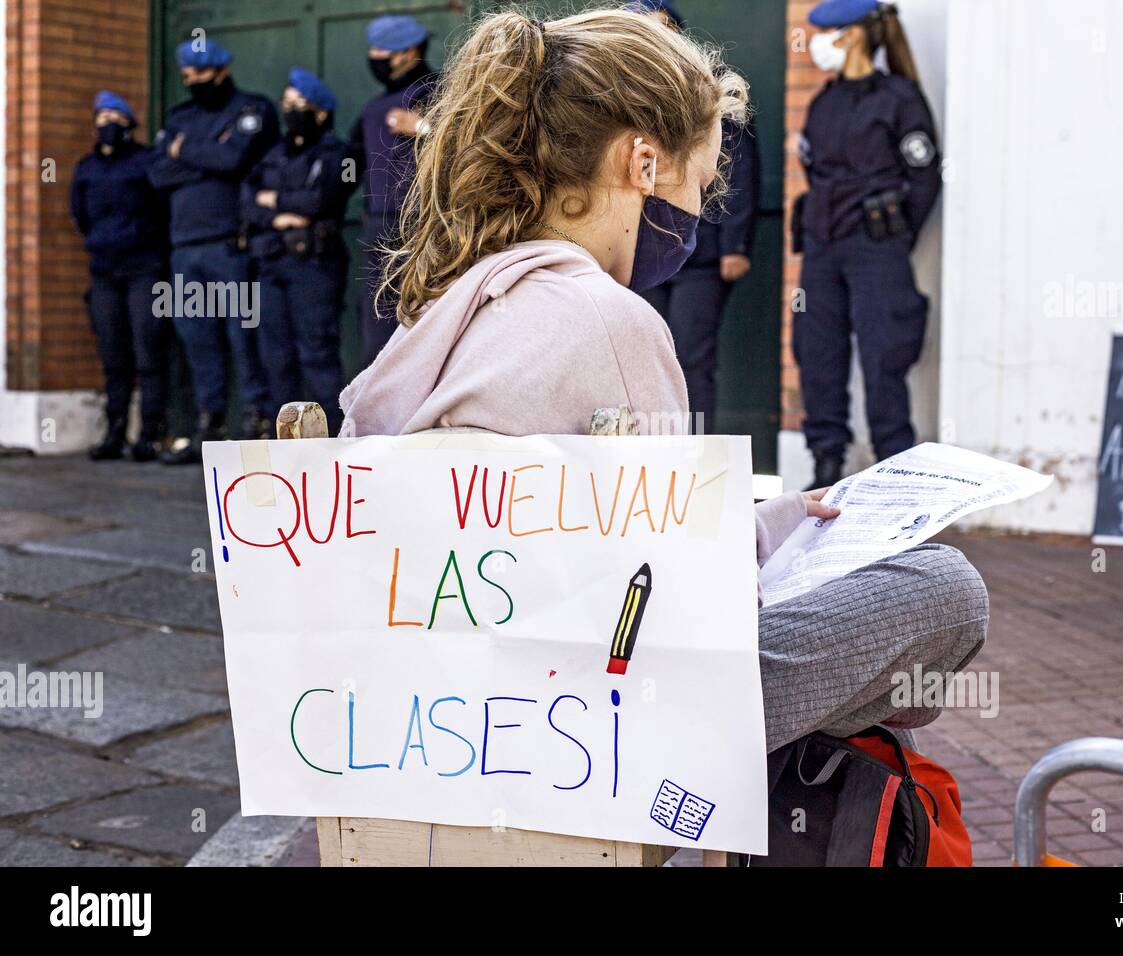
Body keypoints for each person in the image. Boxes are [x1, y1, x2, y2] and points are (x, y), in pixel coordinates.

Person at [339, 9, 987, 755]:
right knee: (945, 590)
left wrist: (775, 523)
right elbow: (696, 595)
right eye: (702, 188)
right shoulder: (612, 320)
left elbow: (617, 528)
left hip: (454, 692)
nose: (697, 215)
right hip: (600, 714)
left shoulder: (455, 300)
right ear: (642, 166)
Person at [793, 0, 941, 488]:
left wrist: (894, 237)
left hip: (875, 250)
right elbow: (814, 171)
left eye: (828, 32)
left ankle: (894, 477)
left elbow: (923, 177)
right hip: (821, 248)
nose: (817, 43)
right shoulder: (824, 102)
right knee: (817, 353)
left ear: (852, 34)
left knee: (885, 356)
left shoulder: (899, 97)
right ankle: (827, 466)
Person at [627, 0, 761, 435]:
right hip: (642, 249)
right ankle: (653, 454)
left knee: (691, 357)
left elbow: (738, 169)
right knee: (644, 357)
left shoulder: (711, 89)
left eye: (660, 29)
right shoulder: (624, 92)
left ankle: (696, 456)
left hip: (700, 252)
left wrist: (736, 246)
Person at [149, 39, 280, 464]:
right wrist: (210, 152)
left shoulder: (250, 110)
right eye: (187, 77)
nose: (193, 83)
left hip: (231, 246)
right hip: (185, 249)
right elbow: (157, 173)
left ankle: (257, 426)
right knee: (198, 341)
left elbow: (235, 160)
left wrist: (183, 150)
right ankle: (210, 428)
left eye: (201, 76)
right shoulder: (179, 116)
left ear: (221, 71)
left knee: (244, 339)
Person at [241, 68, 358, 435]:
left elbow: (324, 197)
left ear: (320, 112)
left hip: (315, 265)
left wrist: (274, 200)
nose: (290, 110)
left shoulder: (340, 154)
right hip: (272, 261)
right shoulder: (272, 153)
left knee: (317, 353)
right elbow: (246, 202)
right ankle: (285, 441)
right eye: (286, 103)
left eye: (299, 104)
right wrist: (282, 215)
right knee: (276, 355)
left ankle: (337, 439)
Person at [70, 91, 169, 461]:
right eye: (101, 116)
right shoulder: (87, 168)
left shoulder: (146, 162)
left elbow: (163, 211)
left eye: (115, 116)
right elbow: (79, 215)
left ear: (129, 122)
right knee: (113, 353)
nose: (107, 123)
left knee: (148, 350)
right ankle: (114, 430)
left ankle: (148, 432)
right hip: (104, 271)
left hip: (144, 269)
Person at [351, 15, 439, 369]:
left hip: (424, 225)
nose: (375, 57)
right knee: (376, 330)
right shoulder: (373, 108)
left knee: (424, 323)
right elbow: (350, 161)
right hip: (378, 227)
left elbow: (469, 140)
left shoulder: (437, 88)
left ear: (408, 52)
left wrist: (422, 126)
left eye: (381, 51)